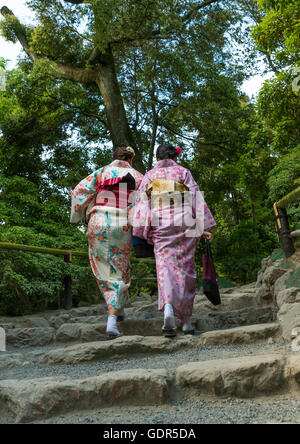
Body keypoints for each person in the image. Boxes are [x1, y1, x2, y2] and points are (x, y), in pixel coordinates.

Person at [132, 144, 216, 336]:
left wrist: (142, 230)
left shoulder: (150, 176)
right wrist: (203, 227)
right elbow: (195, 197)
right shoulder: (183, 172)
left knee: (165, 268)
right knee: (187, 269)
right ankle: (186, 321)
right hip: (185, 222)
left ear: (157, 158)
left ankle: (168, 308)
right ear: (174, 157)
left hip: (161, 224)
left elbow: (142, 204)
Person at [70, 146, 144, 339]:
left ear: (114, 157)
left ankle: (117, 311)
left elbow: (78, 192)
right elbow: (147, 201)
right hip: (122, 224)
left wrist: (82, 213)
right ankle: (113, 318)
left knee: (103, 267)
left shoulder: (102, 172)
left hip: (99, 222)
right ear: (131, 159)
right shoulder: (138, 176)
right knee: (120, 267)